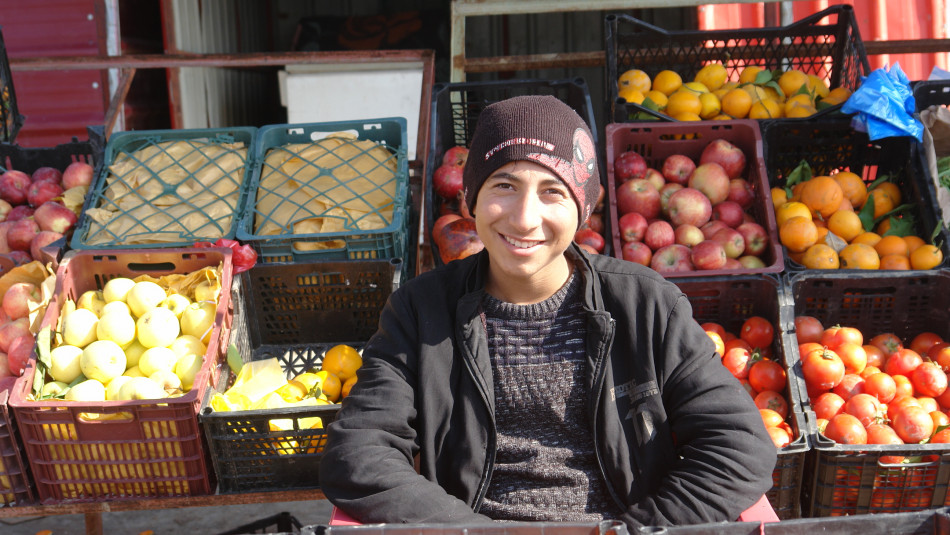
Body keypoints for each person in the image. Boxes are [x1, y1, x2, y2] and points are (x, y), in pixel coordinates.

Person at [319, 95, 777, 528]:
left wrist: (638, 532)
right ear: (471, 199)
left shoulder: (645, 304)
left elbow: (738, 446)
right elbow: (360, 451)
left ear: (582, 211)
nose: (524, 218)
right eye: (504, 185)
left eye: (552, 192)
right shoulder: (420, 310)